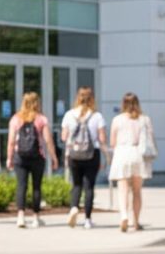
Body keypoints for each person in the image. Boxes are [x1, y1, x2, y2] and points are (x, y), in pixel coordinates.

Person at [6, 92, 58, 229]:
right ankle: (36, 217)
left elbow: (11, 141)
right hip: (37, 157)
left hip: (20, 157)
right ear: (37, 103)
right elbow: (48, 140)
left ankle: (21, 216)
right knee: (36, 187)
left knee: (21, 186)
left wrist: (9, 158)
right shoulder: (41, 119)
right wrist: (54, 157)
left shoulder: (16, 119)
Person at [60, 86, 106, 229]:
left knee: (76, 184)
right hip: (92, 154)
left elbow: (63, 137)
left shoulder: (69, 114)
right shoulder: (97, 116)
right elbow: (102, 139)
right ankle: (87, 219)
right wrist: (106, 156)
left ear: (78, 98)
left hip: (74, 154)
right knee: (89, 187)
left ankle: (74, 207)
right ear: (92, 98)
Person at [109, 93, 155, 232]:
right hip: (138, 154)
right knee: (137, 191)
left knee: (122, 189)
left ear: (123, 103)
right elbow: (150, 139)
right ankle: (136, 222)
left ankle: (124, 215)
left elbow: (112, 142)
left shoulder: (117, 120)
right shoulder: (144, 119)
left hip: (122, 154)